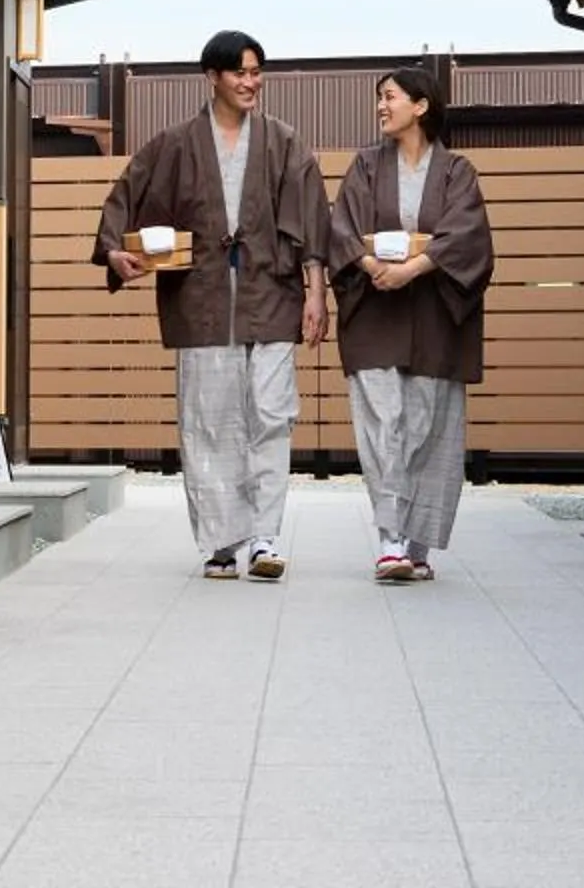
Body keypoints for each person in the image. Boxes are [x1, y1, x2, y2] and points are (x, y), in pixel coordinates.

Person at [96, 30, 328, 580]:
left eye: (256, 72)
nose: (251, 82)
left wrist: (317, 291)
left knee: (272, 419)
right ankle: (223, 542)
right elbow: (124, 195)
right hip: (201, 301)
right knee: (208, 423)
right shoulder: (175, 143)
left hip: (271, 296)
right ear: (213, 77)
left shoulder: (284, 142)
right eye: (240, 73)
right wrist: (112, 251)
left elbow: (314, 216)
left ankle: (266, 539)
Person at [328, 66, 492, 583]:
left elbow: (468, 235)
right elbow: (341, 227)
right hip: (375, 312)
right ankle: (390, 541)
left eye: (390, 97)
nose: (381, 106)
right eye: (379, 98)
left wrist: (412, 270)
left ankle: (417, 544)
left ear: (421, 106)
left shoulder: (457, 170)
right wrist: (376, 268)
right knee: (384, 426)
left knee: (428, 426)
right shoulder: (365, 166)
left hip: (435, 315)